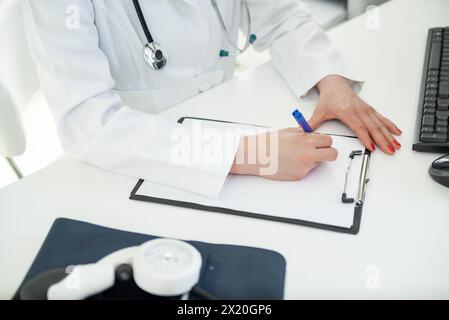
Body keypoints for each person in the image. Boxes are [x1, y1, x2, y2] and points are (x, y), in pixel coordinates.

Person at [22, 0, 401, 198]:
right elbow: (89, 123)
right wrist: (247, 154)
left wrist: (329, 79)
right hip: (131, 165)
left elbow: (280, 16)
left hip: (228, 117)